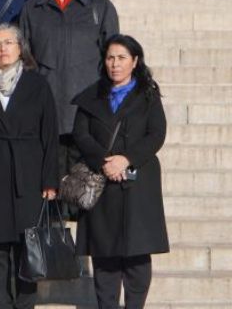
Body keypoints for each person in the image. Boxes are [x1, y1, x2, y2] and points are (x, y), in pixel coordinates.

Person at [0, 23, 58, 309]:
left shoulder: (37, 84)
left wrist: (50, 179)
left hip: (29, 174)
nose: (3, 49)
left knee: (28, 248)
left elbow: (50, 135)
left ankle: (26, 304)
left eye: (9, 43)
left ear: (20, 48)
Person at [72, 35, 169, 309]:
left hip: (139, 185)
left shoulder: (148, 94)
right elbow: (81, 134)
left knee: (138, 255)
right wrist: (106, 162)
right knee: (105, 257)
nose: (115, 64)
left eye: (122, 58)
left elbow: (156, 134)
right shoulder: (91, 95)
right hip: (101, 182)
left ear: (135, 61)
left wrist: (126, 159)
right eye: (110, 58)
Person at [19, 0, 118, 178]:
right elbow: (24, 58)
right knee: (51, 181)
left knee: (83, 185)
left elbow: (113, 56)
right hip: (48, 106)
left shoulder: (99, 7)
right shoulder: (32, 9)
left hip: (87, 109)